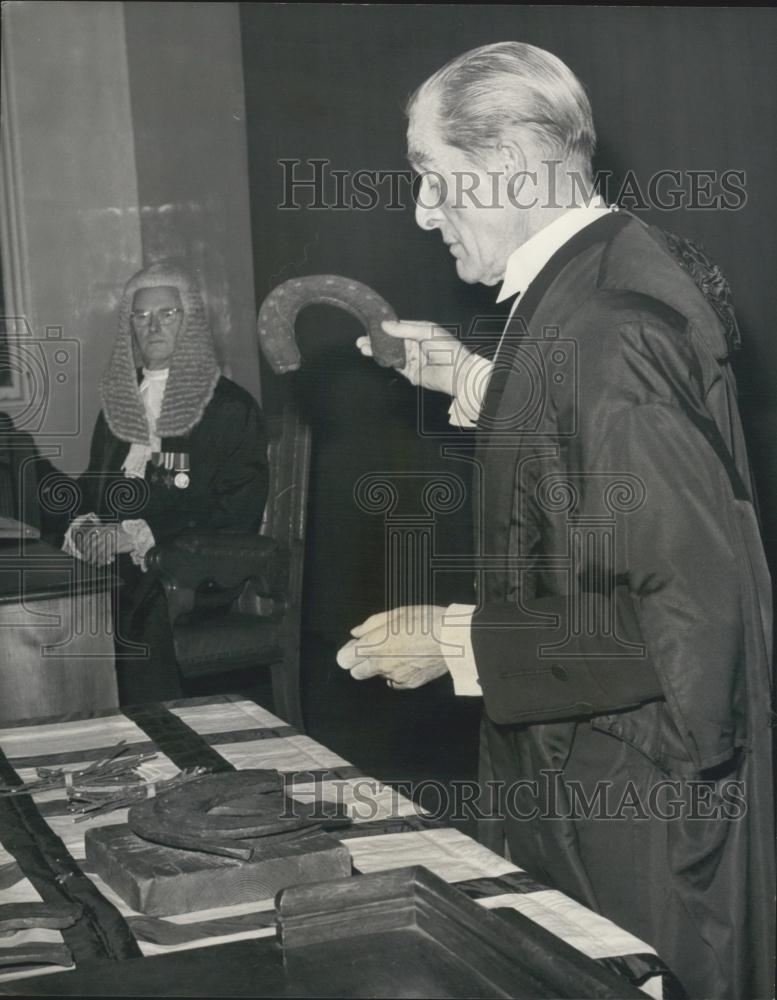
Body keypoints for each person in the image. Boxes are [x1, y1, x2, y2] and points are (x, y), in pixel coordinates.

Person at [337, 42, 774, 1000]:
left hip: (629, 812)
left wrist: (459, 643)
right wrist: (461, 376)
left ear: (506, 170)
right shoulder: (597, 279)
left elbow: (689, 623)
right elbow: (590, 453)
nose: (420, 212)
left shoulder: (608, 330)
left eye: (430, 178)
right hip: (595, 772)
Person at [59, 261, 268, 704]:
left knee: (141, 606)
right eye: (141, 316)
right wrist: (87, 528)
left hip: (199, 569)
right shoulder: (118, 403)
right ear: (129, 326)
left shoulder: (228, 406)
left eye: (167, 314)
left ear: (189, 321)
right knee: (52, 599)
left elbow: (236, 509)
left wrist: (138, 536)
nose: (152, 326)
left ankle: (162, 741)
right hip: (125, 567)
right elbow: (95, 485)